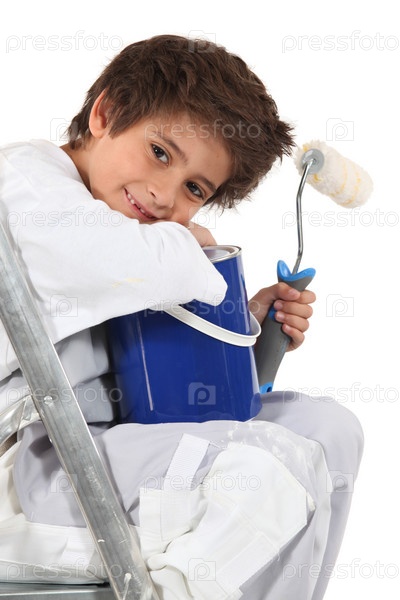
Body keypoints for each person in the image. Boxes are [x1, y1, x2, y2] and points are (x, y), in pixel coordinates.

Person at [0, 35, 363, 599]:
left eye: (194, 188)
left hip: (114, 447)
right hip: (37, 474)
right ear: (105, 113)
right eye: (160, 153)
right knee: (266, 470)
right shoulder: (24, 182)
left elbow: (176, 383)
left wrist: (244, 327)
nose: (163, 196)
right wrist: (197, 244)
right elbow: (130, 258)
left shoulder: (126, 231)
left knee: (328, 431)